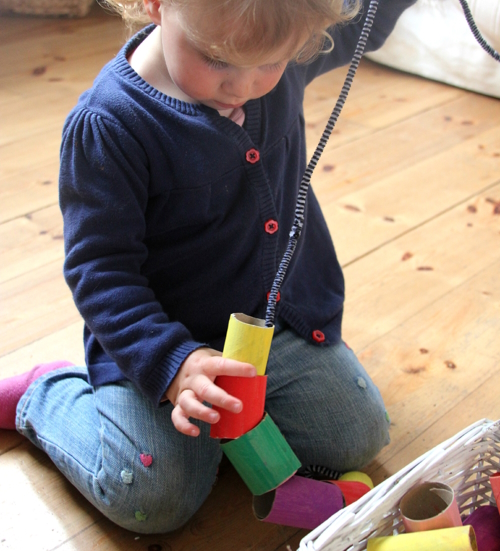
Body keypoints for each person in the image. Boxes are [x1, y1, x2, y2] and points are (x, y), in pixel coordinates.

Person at [0, 0, 417, 534]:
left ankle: (231, 434)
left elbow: (368, 17)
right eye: (217, 59)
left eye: (270, 63)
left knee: (357, 435)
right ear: (156, 4)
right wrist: (173, 364)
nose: (241, 87)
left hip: (272, 325)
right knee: (152, 498)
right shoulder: (109, 125)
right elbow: (100, 271)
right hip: (159, 347)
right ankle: (45, 395)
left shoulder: (282, 42)